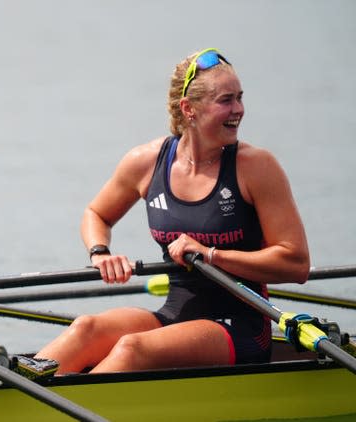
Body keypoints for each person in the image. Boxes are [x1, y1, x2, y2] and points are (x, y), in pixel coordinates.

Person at [34, 48, 310, 374]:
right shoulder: (147, 162)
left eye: (240, 98)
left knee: (131, 347)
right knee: (85, 328)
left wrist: (211, 255)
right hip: (174, 313)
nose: (239, 110)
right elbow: (96, 214)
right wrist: (100, 252)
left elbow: (296, 263)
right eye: (226, 100)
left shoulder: (256, 167)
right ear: (189, 109)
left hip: (241, 325)